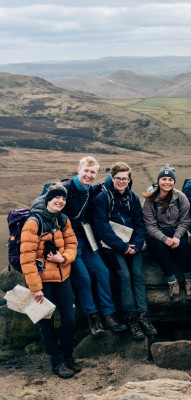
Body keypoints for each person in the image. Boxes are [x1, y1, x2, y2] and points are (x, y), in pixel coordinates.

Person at [45, 156, 126, 336]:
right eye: (86, 171)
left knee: (103, 273)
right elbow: (43, 203)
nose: (89, 175)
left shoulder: (92, 191)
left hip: (87, 240)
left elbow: (110, 182)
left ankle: (108, 314)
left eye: (93, 172)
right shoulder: (64, 189)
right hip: (67, 244)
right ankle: (93, 317)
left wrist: (116, 172)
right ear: (78, 170)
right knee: (83, 278)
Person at [20, 183, 80, 378]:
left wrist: (64, 258)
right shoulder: (33, 222)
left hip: (63, 278)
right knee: (46, 323)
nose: (60, 201)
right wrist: (36, 288)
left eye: (63, 198)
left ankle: (68, 355)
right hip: (43, 282)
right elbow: (27, 258)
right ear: (47, 199)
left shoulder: (63, 220)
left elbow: (72, 244)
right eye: (56, 197)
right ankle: (57, 361)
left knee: (70, 319)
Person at [94, 161, 157, 340]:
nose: (121, 182)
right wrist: (122, 247)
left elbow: (140, 224)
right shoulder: (102, 198)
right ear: (112, 179)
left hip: (132, 246)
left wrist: (136, 245)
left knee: (137, 276)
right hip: (112, 247)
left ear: (129, 180)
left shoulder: (133, 198)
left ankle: (144, 316)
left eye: (125, 179)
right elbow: (102, 228)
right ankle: (131, 319)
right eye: (118, 178)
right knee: (125, 277)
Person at [142, 164, 191, 302]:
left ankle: (189, 281)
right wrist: (164, 239)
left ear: (174, 181)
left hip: (176, 230)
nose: (167, 182)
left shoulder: (180, 197)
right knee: (160, 247)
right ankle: (172, 282)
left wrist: (177, 237)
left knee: (184, 246)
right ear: (158, 181)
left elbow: (185, 221)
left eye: (170, 179)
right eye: (164, 179)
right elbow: (150, 225)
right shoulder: (150, 200)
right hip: (157, 233)